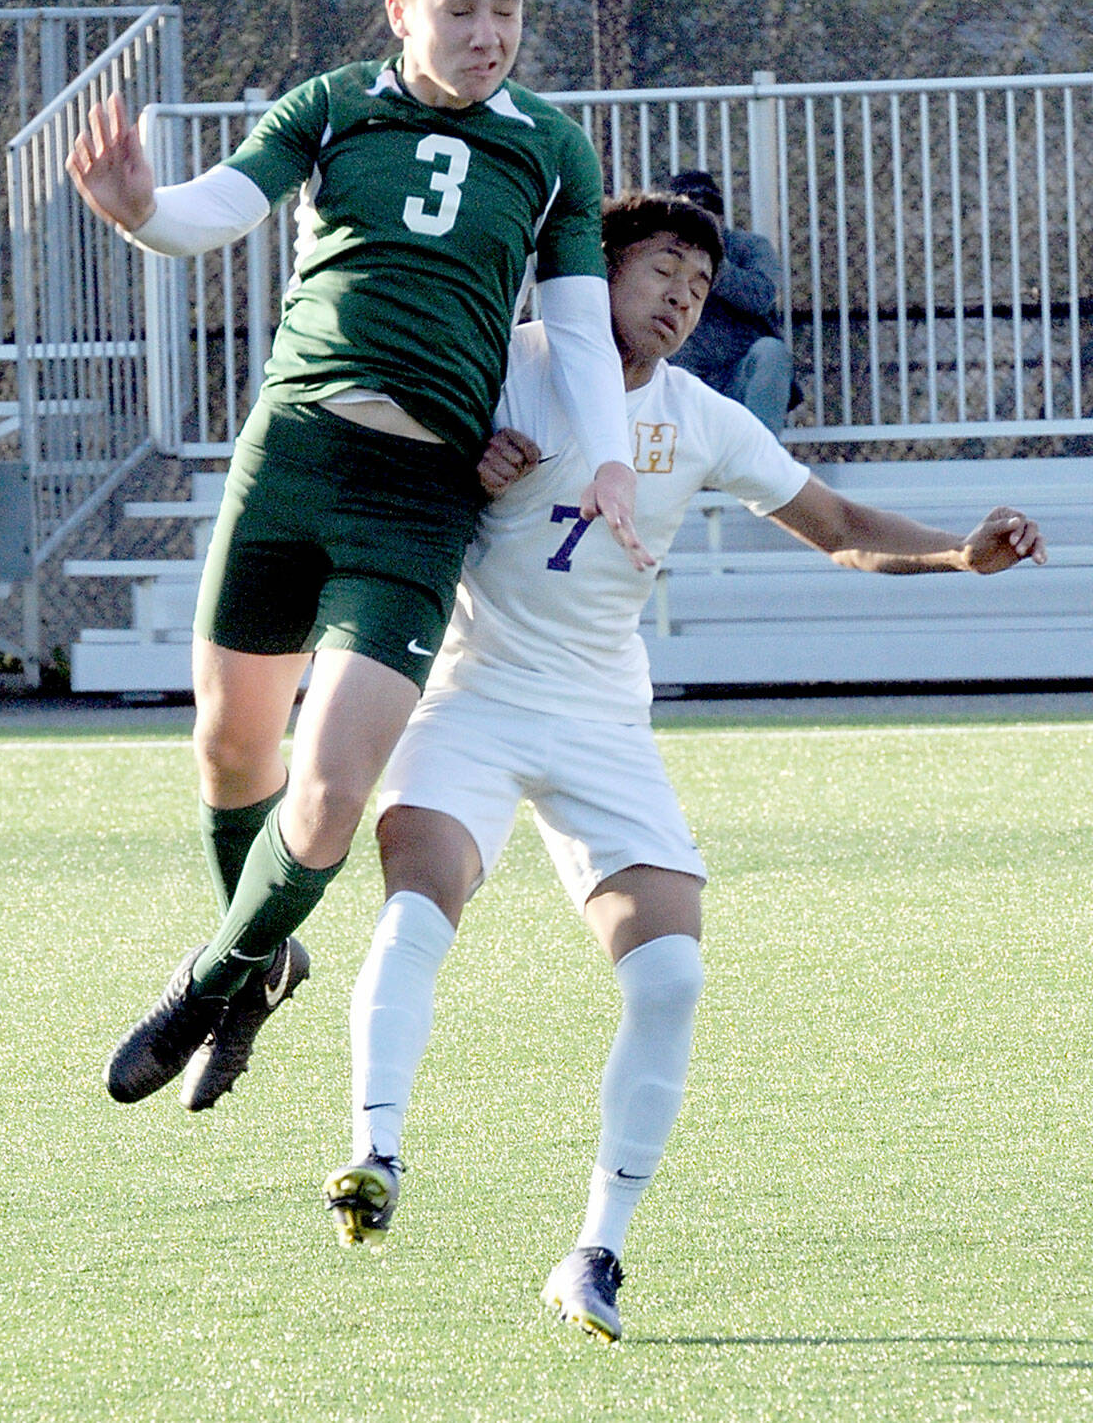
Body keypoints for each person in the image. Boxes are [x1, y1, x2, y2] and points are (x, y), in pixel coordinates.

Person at [321, 191, 1046, 1341]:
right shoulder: (502, 365)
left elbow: (835, 519)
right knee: (420, 904)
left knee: (670, 979)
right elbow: (364, 473)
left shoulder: (700, 418)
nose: (679, 296)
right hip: (468, 697)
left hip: (601, 721)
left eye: (699, 287)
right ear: (592, 270)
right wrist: (465, 462)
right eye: (660, 268)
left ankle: (593, 1251)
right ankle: (374, 1150)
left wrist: (960, 553)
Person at [65, 0, 652, 1114]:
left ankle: (212, 979)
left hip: (418, 496)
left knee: (331, 791)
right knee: (229, 743)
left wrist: (609, 454)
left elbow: (581, 330)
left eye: (505, 7)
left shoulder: (551, 147)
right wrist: (137, 211)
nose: (486, 32)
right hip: (292, 461)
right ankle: (268, 960)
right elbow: (215, 208)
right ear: (400, 8)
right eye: (459, 8)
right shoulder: (330, 109)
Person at [665, 169, 799, 435]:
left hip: (740, 378)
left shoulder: (748, 247)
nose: (700, 220)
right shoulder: (660, 254)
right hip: (682, 379)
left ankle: (762, 464)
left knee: (771, 353)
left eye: (707, 210)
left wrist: (711, 263)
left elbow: (762, 297)